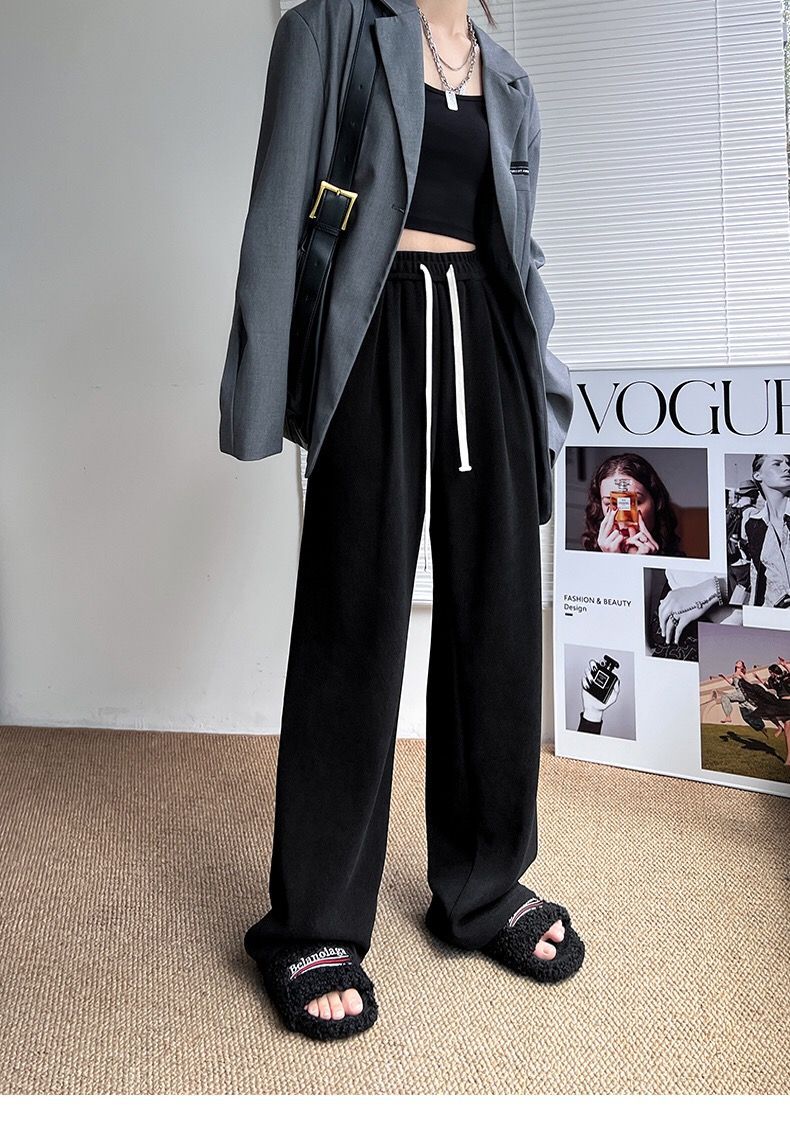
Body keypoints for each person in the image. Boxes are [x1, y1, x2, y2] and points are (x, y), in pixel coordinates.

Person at [218, 0, 583, 1040]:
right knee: (354, 623)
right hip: (373, 332)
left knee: (497, 624)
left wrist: (541, 380)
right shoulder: (327, 30)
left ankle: (482, 886)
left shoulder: (506, 75)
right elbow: (278, 207)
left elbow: (519, 244)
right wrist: (259, 395)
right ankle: (314, 923)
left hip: (488, 346)